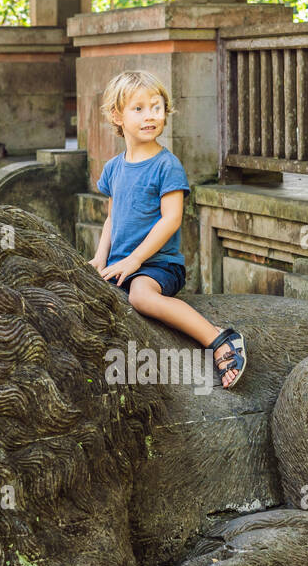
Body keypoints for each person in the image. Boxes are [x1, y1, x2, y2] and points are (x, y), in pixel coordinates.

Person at [90, 70, 247, 388]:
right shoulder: (114, 168)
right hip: (121, 266)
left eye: (156, 107)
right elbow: (111, 218)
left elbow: (171, 220)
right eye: (139, 109)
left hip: (157, 266)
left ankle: (218, 339)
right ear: (116, 116)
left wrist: (134, 261)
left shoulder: (167, 165)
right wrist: (98, 259)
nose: (150, 116)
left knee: (141, 298)